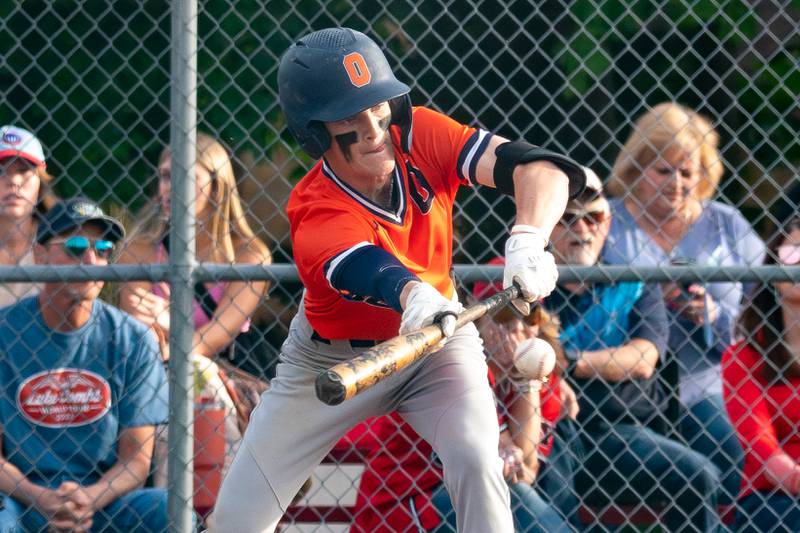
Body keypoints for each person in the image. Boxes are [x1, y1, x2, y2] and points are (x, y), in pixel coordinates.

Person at [210, 27, 586, 532]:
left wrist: (529, 237)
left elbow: (544, 169)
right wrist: (413, 294)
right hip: (329, 360)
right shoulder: (313, 205)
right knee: (236, 521)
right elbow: (367, 266)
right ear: (313, 133)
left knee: (478, 461)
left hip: (441, 344)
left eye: (378, 105)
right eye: (348, 116)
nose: (372, 128)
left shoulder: (421, 136)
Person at [602, 102, 766, 504]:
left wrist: (714, 316)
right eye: (663, 169)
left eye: (688, 172)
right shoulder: (605, 222)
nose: (676, 183)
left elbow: (766, 313)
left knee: (728, 450)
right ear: (636, 169)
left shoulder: (727, 225)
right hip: (628, 387)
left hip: (705, 383)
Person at [546, 169, 724, 531]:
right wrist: (598, 363)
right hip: (550, 422)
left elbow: (643, 359)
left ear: (607, 225)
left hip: (621, 429)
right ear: (548, 227)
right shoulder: (531, 286)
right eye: (568, 219)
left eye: (593, 218)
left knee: (699, 474)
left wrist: (566, 360)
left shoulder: (633, 282)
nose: (582, 229)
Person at [0, 198, 170, 532]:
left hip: (100, 501)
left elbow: (136, 460)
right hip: (21, 501)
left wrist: (86, 500)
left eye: (103, 248)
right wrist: (40, 498)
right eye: (76, 246)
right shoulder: (5, 334)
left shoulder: (133, 339)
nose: (91, 260)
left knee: (169, 510)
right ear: (40, 254)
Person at [350, 302, 572, 532]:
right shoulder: (453, 370)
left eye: (529, 318)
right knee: (506, 494)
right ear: (477, 323)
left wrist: (528, 385)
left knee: (510, 493)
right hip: (404, 507)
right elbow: (503, 468)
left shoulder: (545, 382)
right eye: (504, 318)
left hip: (462, 498)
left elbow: (526, 472)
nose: (518, 329)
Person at [117, 132, 272, 361]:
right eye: (166, 176)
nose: (172, 187)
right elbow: (143, 334)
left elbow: (218, 335)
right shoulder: (138, 251)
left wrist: (174, 325)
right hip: (155, 368)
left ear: (216, 186)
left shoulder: (250, 256)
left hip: (222, 375)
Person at [722, 214, 800, 532]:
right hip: (772, 495)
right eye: (794, 251)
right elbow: (762, 446)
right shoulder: (744, 357)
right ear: (772, 265)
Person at [0, 125, 58, 307]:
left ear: (40, 181)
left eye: (23, 171)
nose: (14, 182)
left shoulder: (60, 241)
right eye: (1, 172)